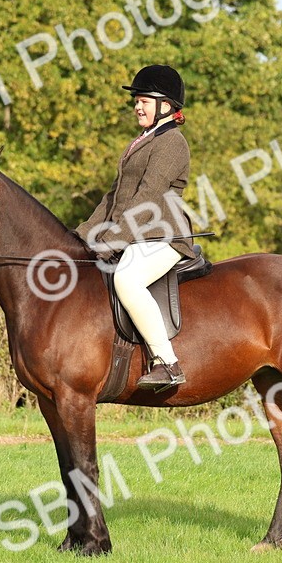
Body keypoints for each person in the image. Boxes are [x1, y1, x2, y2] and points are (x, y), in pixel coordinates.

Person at [73, 65, 197, 389]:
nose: (137, 107)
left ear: (165, 106)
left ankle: (167, 364)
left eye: (144, 100)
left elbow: (148, 198)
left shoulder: (172, 142)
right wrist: (81, 234)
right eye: (136, 101)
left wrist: (114, 240)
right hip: (137, 236)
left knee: (127, 279)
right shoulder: (141, 141)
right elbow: (113, 197)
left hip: (164, 236)